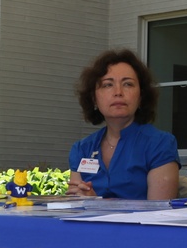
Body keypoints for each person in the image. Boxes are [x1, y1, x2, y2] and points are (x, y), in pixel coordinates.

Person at [67, 49, 180, 200]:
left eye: (127, 84)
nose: (118, 92)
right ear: (94, 99)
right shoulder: (82, 149)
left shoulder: (160, 144)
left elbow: (159, 214)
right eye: (108, 85)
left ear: (141, 97)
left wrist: (97, 204)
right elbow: (75, 206)